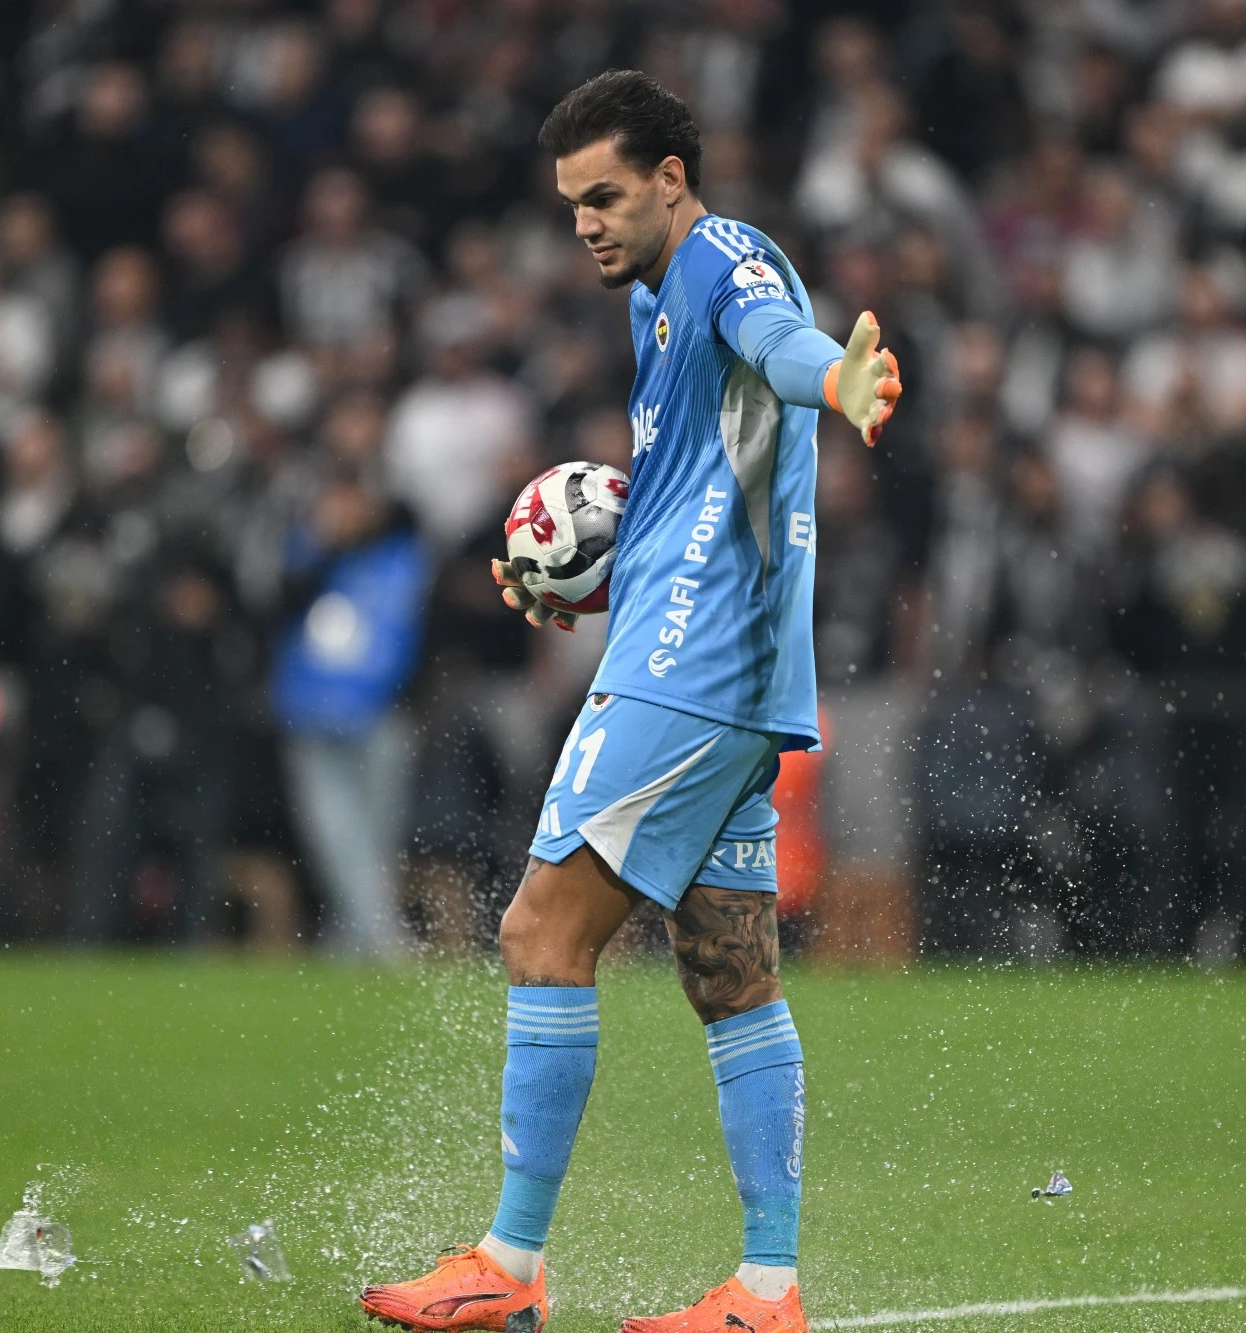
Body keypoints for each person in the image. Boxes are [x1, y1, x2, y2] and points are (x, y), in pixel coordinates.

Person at [359, 71, 900, 1333]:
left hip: (687, 674)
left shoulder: (720, 260)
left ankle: (509, 1260)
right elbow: (708, 492)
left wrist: (839, 383)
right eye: (569, 204)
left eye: (604, 195)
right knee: (728, 972)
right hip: (724, 672)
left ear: (669, 178)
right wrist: (580, 582)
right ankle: (767, 1287)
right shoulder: (660, 300)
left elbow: (783, 344)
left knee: (541, 933)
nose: (585, 222)